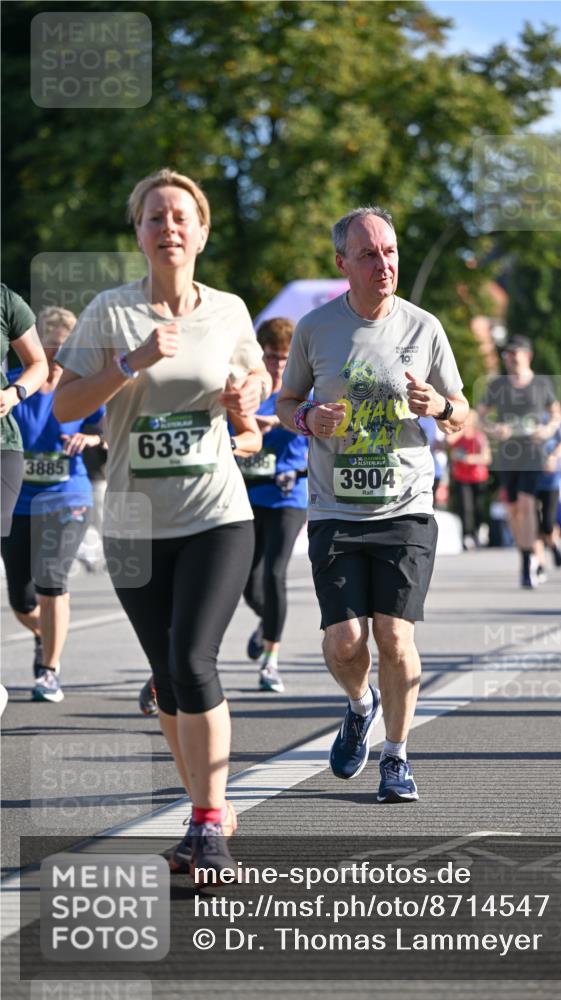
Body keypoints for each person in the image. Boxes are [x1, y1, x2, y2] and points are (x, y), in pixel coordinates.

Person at [54, 168, 270, 882]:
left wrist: (249, 395)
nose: (169, 227)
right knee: (168, 680)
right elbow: (62, 408)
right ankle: (206, 805)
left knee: (192, 662)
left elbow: (253, 388)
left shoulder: (231, 311)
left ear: (201, 232)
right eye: (155, 217)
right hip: (133, 520)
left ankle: (207, 826)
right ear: (139, 233)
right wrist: (128, 363)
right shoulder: (109, 313)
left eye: (181, 216)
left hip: (216, 514)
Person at [277, 206, 468, 803]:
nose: (383, 263)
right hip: (335, 509)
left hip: (406, 505)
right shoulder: (315, 329)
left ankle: (397, 756)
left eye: (389, 251)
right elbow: (284, 402)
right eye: (368, 254)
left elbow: (463, 416)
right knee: (345, 643)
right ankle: (360, 705)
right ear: (343, 264)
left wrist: (438, 406)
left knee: (394, 637)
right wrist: (308, 418)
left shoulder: (425, 327)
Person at [1, 306, 103, 702]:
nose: (56, 355)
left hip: (67, 495)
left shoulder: (82, 387)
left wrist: (92, 439)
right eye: (49, 346)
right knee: (21, 598)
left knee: (51, 579)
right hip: (19, 497)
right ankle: (47, 635)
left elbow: (104, 423)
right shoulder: (13, 386)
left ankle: (49, 670)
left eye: (64, 348)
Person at [240, 317, 308, 694]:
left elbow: (311, 424)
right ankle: (268, 624)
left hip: (289, 493)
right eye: (271, 357)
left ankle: (270, 661)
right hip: (251, 493)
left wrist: (275, 423)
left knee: (274, 573)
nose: (278, 366)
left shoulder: (303, 386)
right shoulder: (251, 387)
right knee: (247, 581)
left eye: (284, 358)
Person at [477, 335, 561, 588]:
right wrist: (494, 430)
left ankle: (528, 565)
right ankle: (529, 553)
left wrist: (547, 430)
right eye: (507, 354)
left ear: (528, 355)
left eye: (514, 354)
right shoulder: (498, 385)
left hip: (533, 451)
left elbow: (556, 414)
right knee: (513, 510)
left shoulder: (541, 384)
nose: (510, 359)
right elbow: (480, 416)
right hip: (507, 453)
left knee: (526, 504)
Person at [0, 284, 48, 715]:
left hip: (1, 449)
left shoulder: (5, 301)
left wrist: (13, 393)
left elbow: (37, 364)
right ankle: (41, 631)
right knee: (20, 597)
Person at [446, 409, 491, 549]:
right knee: (466, 507)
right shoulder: (458, 436)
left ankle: (479, 530)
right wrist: (461, 431)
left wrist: (469, 459)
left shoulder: (480, 437)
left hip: (478, 478)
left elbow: (487, 458)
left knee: (478, 508)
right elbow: (448, 442)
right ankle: (467, 536)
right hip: (461, 477)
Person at [533, 425, 561, 582]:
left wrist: (553, 457)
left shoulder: (554, 422)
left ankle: (553, 546)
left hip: (550, 483)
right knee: (533, 525)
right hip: (530, 482)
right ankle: (540, 564)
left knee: (547, 524)